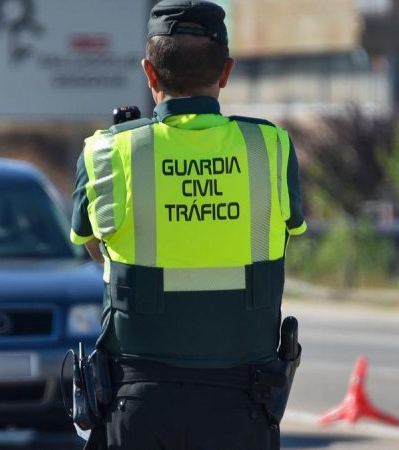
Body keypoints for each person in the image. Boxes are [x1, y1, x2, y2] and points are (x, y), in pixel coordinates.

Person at [69, 1, 306, 449]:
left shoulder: (106, 151)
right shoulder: (270, 147)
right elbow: (282, 238)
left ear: (149, 73)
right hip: (244, 400)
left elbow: (96, 247)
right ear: (226, 71)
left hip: (140, 400)